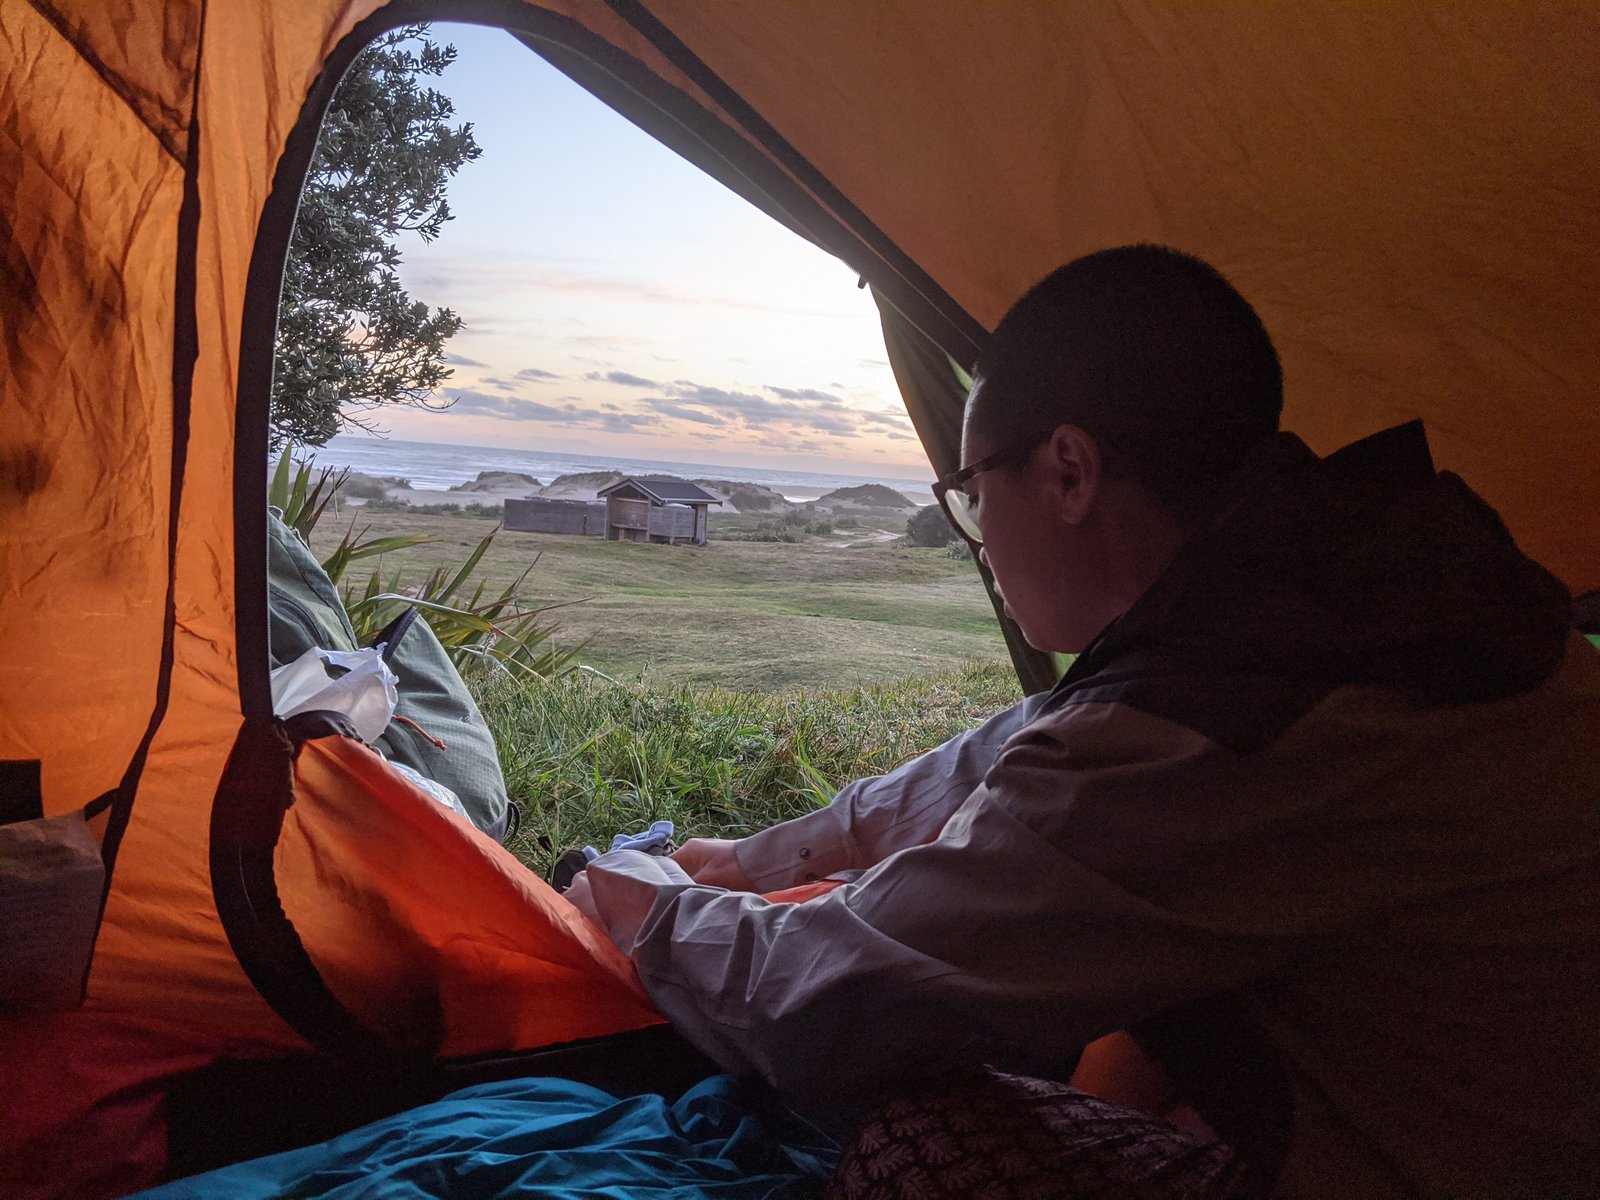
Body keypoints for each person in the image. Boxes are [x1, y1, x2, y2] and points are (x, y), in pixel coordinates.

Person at [566, 245, 1600, 1197]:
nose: (974, 534)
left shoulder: (1228, 718)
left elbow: (833, 1009)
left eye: (971, 492)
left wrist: (645, 905)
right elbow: (1013, 753)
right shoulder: (1345, 597)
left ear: (1068, 472)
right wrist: (747, 860)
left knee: (910, 1148)